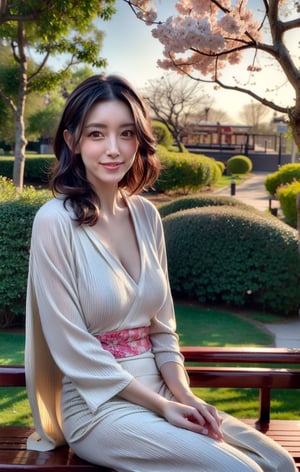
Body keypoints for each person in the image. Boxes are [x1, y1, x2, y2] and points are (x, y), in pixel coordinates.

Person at [25, 74, 297, 472]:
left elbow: (163, 327)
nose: (114, 149)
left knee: (278, 462)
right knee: (242, 471)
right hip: (97, 405)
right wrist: (162, 406)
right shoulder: (54, 222)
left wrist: (183, 394)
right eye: (97, 134)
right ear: (72, 141)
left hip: (162, 390)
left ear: (140, 139)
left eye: (127, 133)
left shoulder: (146, 215)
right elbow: (71, 348)